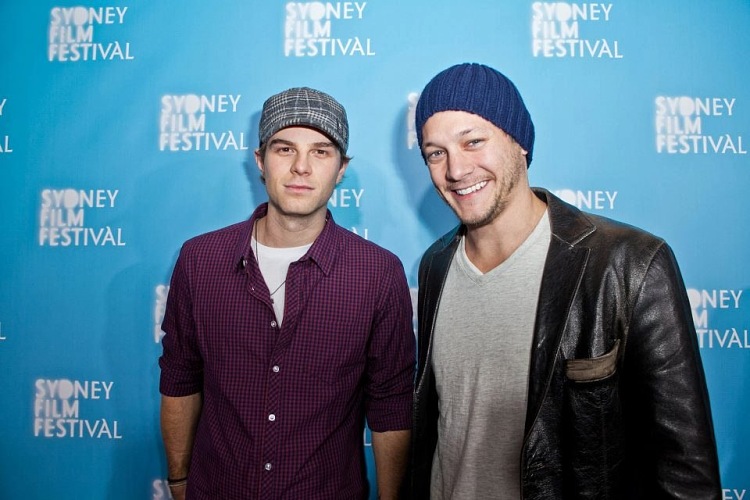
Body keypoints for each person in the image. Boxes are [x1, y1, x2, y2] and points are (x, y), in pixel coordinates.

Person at [408, 63, 721, 499]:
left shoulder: (628, 263)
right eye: (435, 153)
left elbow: (686, 473)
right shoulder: (436, 265)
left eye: (473, 141)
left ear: (520, 142)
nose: (456, 169)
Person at [159, 87, 415, 500]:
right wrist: (179, 481)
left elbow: (390, 406)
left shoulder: (378, 274)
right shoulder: (199, 260)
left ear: (341, 168)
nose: (301, 167)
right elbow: (180, 377)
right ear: (260, 161)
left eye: (320, 152)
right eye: (284, 149)